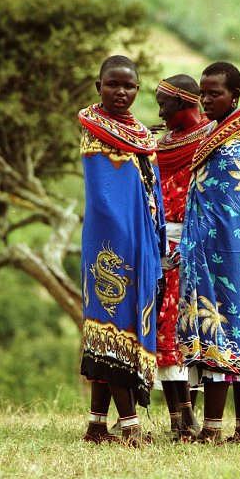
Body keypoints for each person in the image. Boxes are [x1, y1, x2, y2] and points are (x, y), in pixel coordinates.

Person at [178, 62, 240, 444]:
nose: (206, 100)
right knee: (231, 330)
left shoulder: (236, 143)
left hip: (226, 252)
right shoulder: (219, 136)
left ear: (235, 96)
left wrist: (192, 241)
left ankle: (224, 430)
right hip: (223, 252)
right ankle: (232, 429)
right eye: (202, 93)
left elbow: (223, 202)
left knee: (225, 330)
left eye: (214, 93)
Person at [78, 55, 166, 445]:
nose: (121, 92)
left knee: (120, 326)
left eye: (129, 86)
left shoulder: (140, 134)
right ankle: (129, 426)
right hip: (110, 245)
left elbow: (147, 191)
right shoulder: (95, 131)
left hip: (137, 240)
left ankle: (98, 424)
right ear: (98, 86)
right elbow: (105, 198)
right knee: (111, 325)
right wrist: (129, 240)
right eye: (113, 84)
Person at [154, 75, 214, 440]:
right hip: (162, 245)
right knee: (165, 329)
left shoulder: (209, 140)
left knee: (187, 330)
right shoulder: (163, 142)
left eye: (163, 102)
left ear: (183, 104)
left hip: (196, 245)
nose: (159, 109)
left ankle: (187, 417)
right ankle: (180, 418)